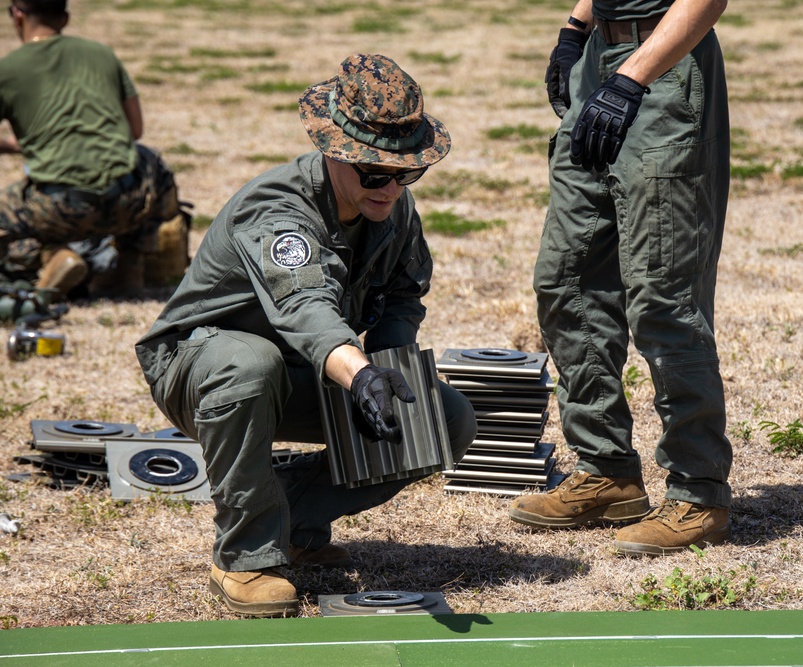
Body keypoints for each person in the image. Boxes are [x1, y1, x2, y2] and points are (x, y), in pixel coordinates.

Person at [135, 53, 477, 617]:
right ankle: (244, 556)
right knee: (249, 364)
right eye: (375, 172)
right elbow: (305, 308)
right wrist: (360, 373)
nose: (391, 187)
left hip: (305, 370)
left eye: (407, 172)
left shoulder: (389, 204)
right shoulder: (278, 210)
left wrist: (390, 366)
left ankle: (286, 514)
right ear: (334, 149)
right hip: (202, 368)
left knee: (444, 419)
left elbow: (403, 294)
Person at [509, 0, 734, 556]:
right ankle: (607, 470)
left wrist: (633, 77)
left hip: (665, 63)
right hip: (597, 60)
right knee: (566, 280)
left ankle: (697, 493)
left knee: (663, 296)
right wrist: (576, 27)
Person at [0, 0, 177, 296]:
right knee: (151, 162)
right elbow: (134, 131)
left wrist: (12, 146)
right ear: (65, 18)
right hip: (128, 201)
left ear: (17, 15)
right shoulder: (102, 54)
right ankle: (130, 267)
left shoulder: (8, 69)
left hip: (59, 211)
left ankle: (51, 256)